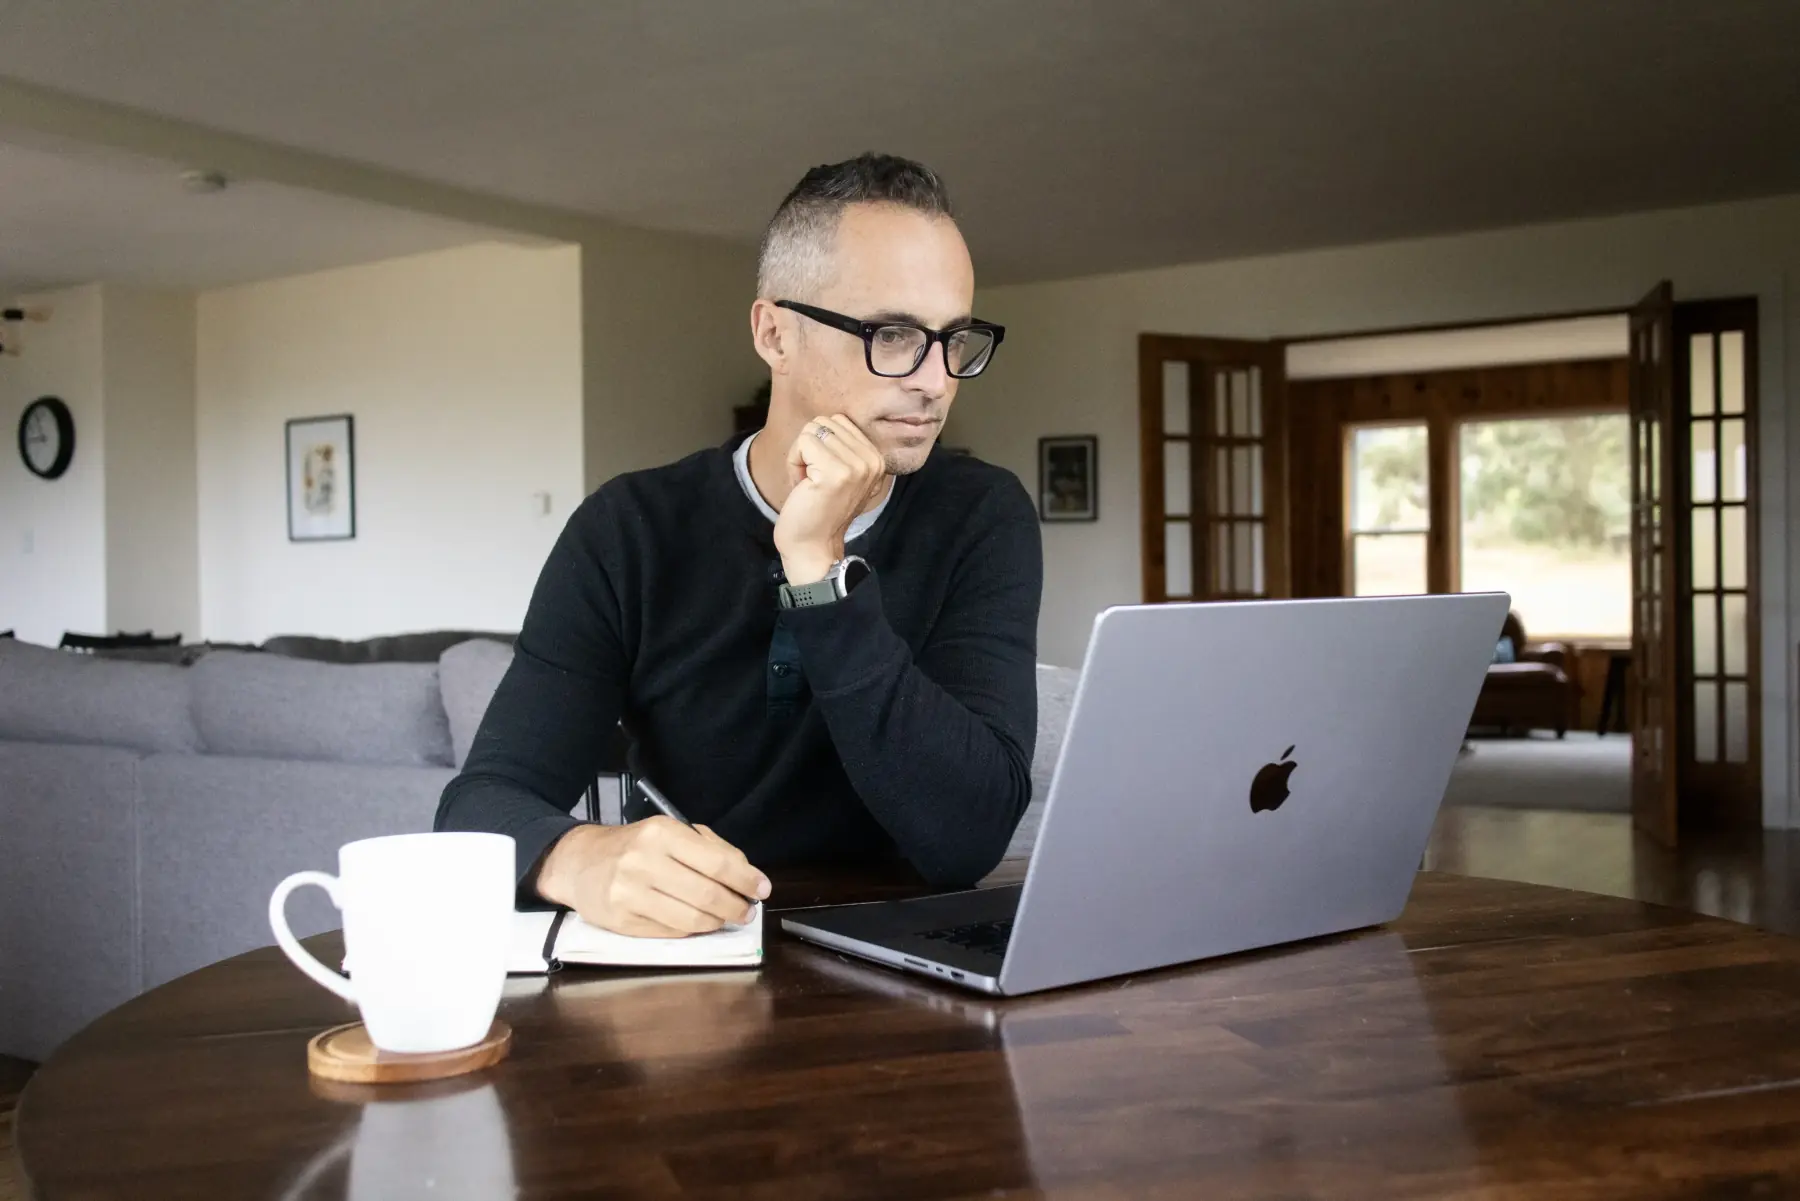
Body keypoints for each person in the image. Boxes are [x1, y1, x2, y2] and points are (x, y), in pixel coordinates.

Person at [436, 153, 1042, 937]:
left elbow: (967, 834)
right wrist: (582, 858)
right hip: (690, 956)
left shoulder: (980, 515)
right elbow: (479, 806)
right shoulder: (630, 531)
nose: (934, 379)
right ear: (774, 334)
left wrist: (819, 573)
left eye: (953, 338)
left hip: (912, 961)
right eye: (893, 334)